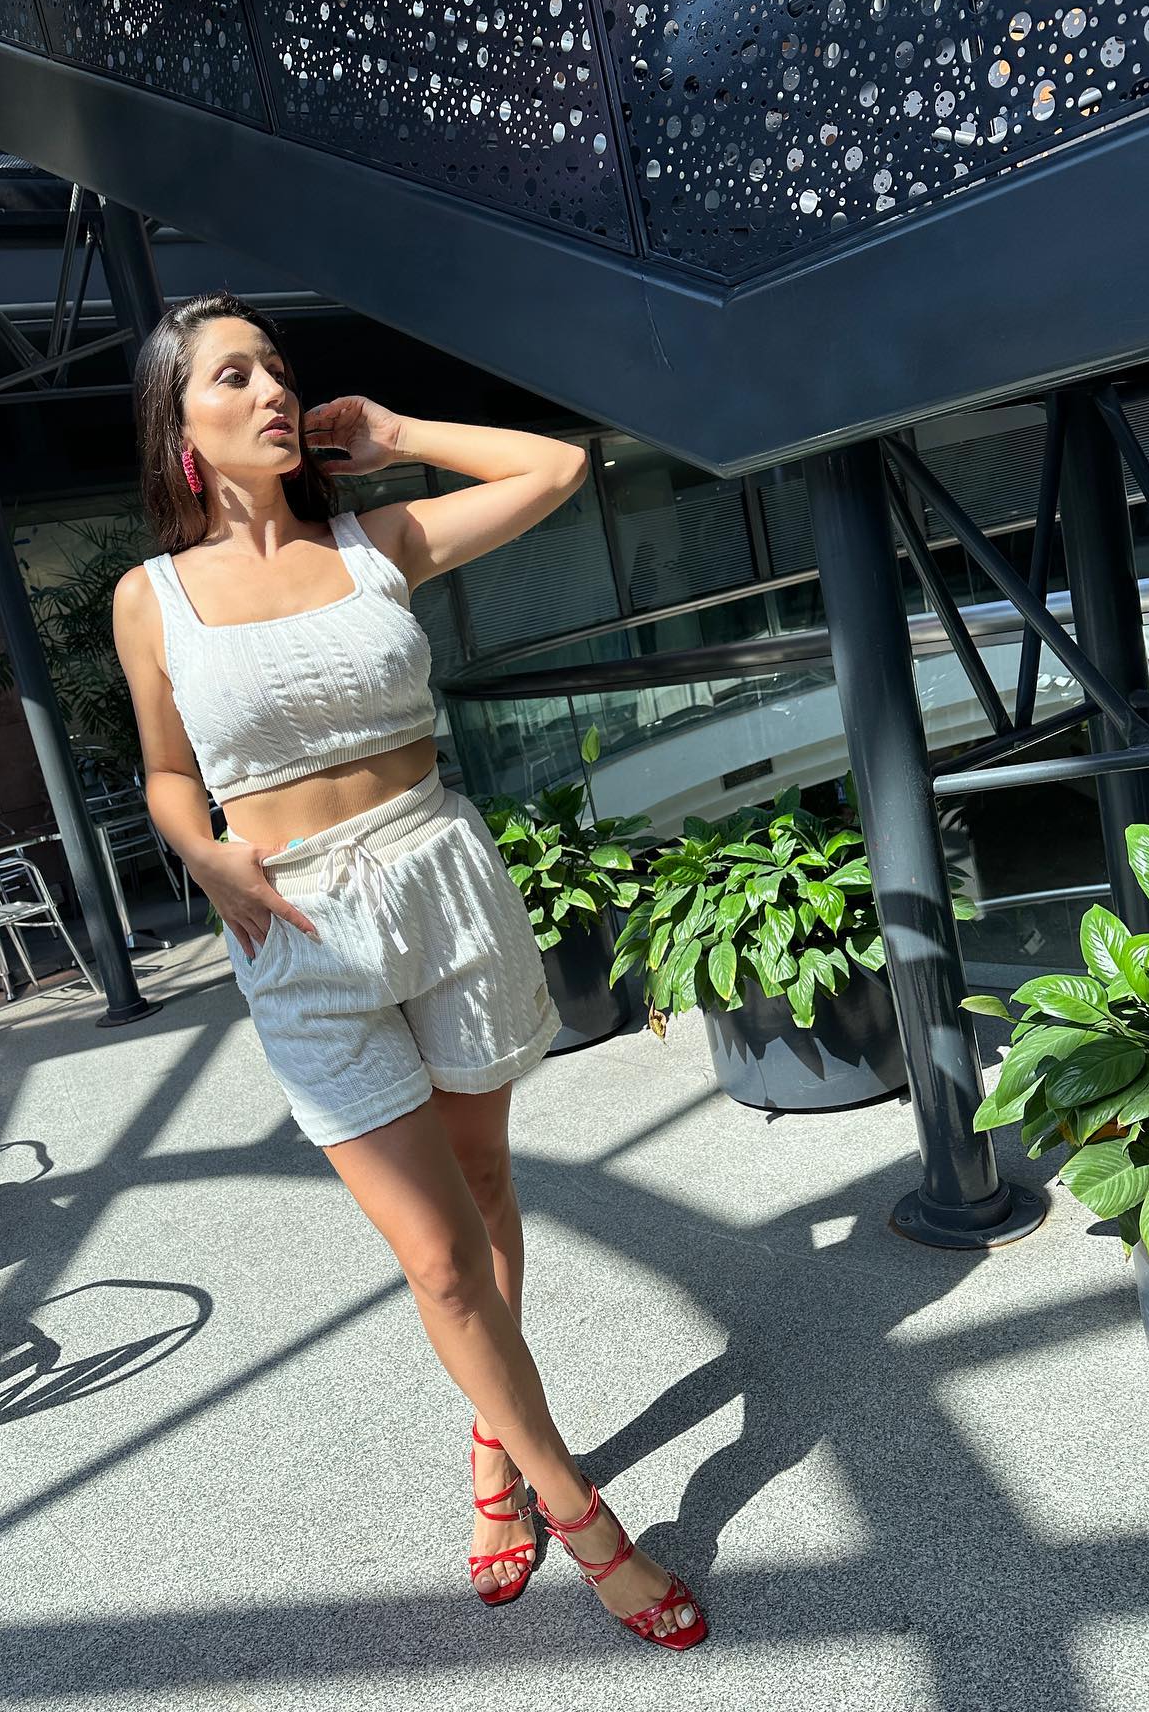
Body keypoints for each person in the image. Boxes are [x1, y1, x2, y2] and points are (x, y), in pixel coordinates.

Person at [112, 291, 707, 1650]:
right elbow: (164, 774)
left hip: (439, 878)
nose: (272, 389)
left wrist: (397, 435)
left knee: (486, 1185)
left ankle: (495, 1437)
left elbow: (555, 469)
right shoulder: (153, 601)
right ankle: (581, 1514)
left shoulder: (374, 541)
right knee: (438, 1261)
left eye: (277, 367)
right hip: (298, 931)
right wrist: (205, 857)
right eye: (233, 375)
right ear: (178, 425)